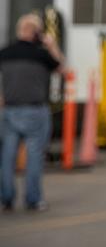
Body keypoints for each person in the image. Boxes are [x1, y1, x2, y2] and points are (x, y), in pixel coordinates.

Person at [0, 13, 63, 212]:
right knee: (34, 157)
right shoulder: (41, 55)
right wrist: (51, 44)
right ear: (36, 33)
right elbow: (62, 67)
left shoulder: (5, 52)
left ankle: (6, 198)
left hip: (9, 110)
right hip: (35, 110)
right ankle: (33, 199)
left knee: (7, 156)